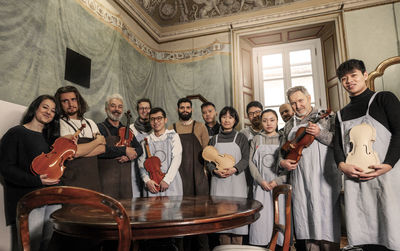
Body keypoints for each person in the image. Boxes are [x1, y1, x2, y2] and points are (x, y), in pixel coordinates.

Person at [334, 59, 400, 251]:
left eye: (353, 76)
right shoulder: (341, 114)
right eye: (344, 79)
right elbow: (338, 146)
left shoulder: (384, 99)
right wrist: (342, 165)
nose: (349, 81)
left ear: (364, 75)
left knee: (392, 228)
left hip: (387, 175)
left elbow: (399, 132)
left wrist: (387, 165)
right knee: (365, 232)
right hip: (355, 180)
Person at [279, 86, 341, 251]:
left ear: (309, 97)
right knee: (305, 218)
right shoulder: (288, 125)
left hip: (324, 177)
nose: (298, 106)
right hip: (300, 178)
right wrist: (282, 162)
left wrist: (320, 133)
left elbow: (339, 144)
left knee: (327, 220)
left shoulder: (326, 116)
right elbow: (282, 151)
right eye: (293, 103)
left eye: (300, 100)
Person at [0, 95, 61, 251]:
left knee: (49, 245)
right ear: (35, 108)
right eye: (45, 107)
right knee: (30, 247)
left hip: (52, 199)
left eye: (53, 110)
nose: (49, 112)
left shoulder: (51, 140)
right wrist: (36, 181)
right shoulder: (16, 133)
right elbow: (5, 168)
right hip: (28, 199)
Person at [171, 98, 210, 251]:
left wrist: (206, 172)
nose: (185, 110)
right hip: (179, 177)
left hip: (198, 176)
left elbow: (208, 151)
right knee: (181, 216)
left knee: (201, 216)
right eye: (182, 107)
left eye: (188, 107)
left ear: (192, 109)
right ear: (178, 109)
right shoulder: (172, 127)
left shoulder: (200, 127)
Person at [206, 106, 249, 245]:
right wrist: (214, 170)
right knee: (222, 224)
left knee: (237, 223)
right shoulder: (214, 139)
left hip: (236, 183)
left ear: (235, 120)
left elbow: (245, 159)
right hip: (219, 184)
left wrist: (234, 169)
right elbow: (208, 161)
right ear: (220, 119)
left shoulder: (241, 137)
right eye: (224, 117)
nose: (227, 120)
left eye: (230, 117)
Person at [54, 86, 106, 192]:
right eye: (65, 101)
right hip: (71, 181)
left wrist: (78, 150)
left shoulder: (90, 123)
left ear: (78, 101)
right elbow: (71, 152)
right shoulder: (60, 123)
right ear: (60, 104)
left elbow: (102, 149)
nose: (70, 104)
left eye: (73, 99)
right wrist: (96, 142)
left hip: (92, 180)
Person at [248, 109, 286, 247]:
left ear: (277, 121)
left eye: (272, 120)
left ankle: (279, 246)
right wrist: (260, 181)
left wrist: (277, 181)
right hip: (261, 186)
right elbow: (251, 162)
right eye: (264, 120)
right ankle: (261, 246)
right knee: (261, 220)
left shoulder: (283, 139)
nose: (268, 123)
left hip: (279, 186)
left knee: (280, 218)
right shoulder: (256, 139)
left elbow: (289, 164)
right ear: (261, 122)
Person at [97, 94, 143, 199]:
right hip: (106, 181)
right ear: (106, 109)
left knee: (127, 211)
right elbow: (100, 151)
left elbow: (139, 148)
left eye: (120, 106)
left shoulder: (127, 129)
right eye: (113, 106)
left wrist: (129, 156)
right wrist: (124, 150)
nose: (116, 109)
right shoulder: (99, 128)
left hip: (125, 183)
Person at [138, 107, 183, 197]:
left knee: (173, 210)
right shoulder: (145, 141)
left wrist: (167, 180)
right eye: (152, 119)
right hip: (152, 184)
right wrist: (147, 181)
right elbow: (141, 164)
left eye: (159, 118)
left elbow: (176, 158)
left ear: (165, 120)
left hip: (171, 182)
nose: (156, 122)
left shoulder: (173, 137)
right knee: (152, 210)